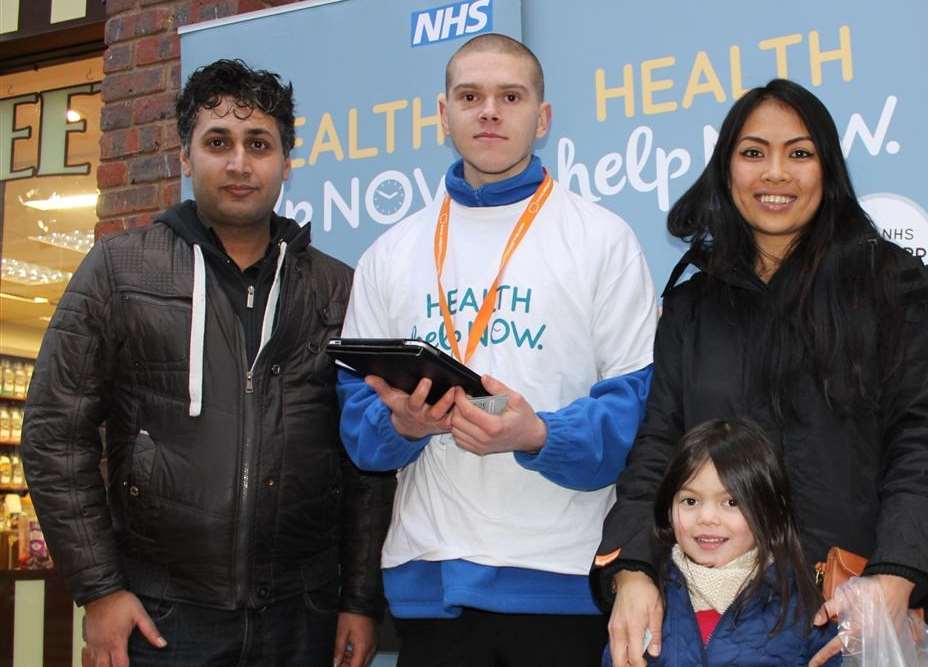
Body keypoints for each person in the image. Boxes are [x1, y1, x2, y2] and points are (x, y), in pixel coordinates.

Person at [21, 59, 394, 667]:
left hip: (303, 618)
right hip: (162, 618)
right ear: (185, 158)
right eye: (218, 142)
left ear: (286, 163)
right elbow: (53, 436)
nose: (239, 163)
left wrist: (358, 598)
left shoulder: (336, 290)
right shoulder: (119, 271)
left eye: (259, 144)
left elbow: (366, 466)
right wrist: (100, 589)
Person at [594, 78, 928, 667]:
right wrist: (633, 569)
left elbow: (926, 442)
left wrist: (897, 575)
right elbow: (657, 450)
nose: (775, 173)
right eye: (753, 153)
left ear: (828, 169)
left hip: (849, 614)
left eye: (799, 153)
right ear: (727, 169)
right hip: (706, 620)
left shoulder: (889, 284)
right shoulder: (693, 306)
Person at [337, 34, 658, 666]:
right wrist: (402, 424)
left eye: (510, 96)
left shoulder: (603, 240)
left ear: (541, 119)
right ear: (443, 114)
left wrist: (539, 435)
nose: (489, 111)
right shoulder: (390, 252)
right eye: (470, 96)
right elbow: (357, 428)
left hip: (564, 581)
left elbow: (638, 414)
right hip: (430, 585)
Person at [602, 418, 839, 666]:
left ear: (769, 512)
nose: (706, 518)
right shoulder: (647, 598)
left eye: (731, 502)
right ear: (668, 509)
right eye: (690, 501)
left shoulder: (801, 605)